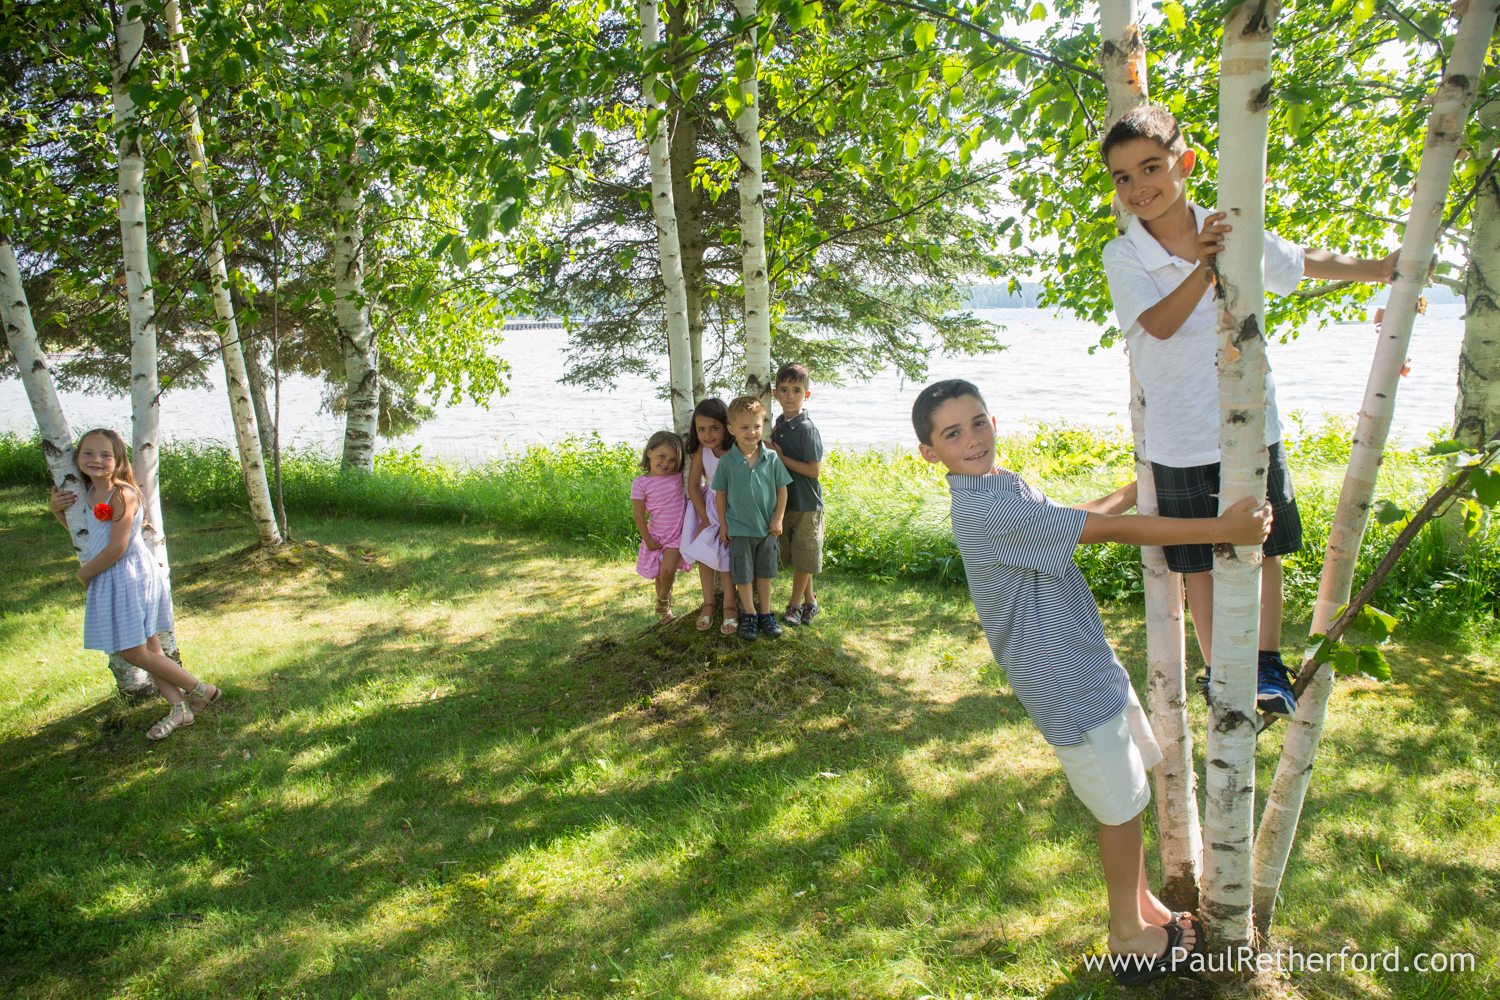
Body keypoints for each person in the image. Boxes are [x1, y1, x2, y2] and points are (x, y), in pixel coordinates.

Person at [912, 380, 1272, 985]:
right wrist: (1221, 529)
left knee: (1130, 788)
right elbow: (1104, 533)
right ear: (930, 452)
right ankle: (1126, 935)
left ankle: (1142, 906)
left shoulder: (999, 485)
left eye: (978, 423)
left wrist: (1141, 485)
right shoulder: (984, 507)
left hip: (1087, 663)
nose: (972, 439)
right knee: (1119, 807)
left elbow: (1081, 519)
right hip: (1063, 680)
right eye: (952, 433)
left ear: (994, 420)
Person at [1100, 104, 1397, 716]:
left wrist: (1383, 269)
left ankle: (1267, 668)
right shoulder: (1123, 254)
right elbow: (1156, 325)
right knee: (1200, 565)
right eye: (1122, 177)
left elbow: (1304, 261)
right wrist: (1207, 267)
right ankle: (1219, 673)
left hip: (1251, 428)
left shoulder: (1231, 227)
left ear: (1185, 163)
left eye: (1150, 167)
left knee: (1263, 550)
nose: (1137, 187)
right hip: (1177, 440)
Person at [49, 428, 221, 741]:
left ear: (118, 461)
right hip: (111, 576)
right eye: (88, 453)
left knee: (133, 652)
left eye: (105, 455)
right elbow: (85, 533)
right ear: (77, 458)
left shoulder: (122, 493)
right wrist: (57, 510)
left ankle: (204, 690)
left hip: (129, 575)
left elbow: (117, 547)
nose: (96, 460)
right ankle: (180, 708)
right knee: (151, 647)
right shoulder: (87, 493)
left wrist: (85, 574)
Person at [713, 396, 792, 641]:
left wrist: (778, 519)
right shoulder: (726, 462)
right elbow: (721, 496)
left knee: (765, 573)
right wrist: (724, 525)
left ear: (763, 426)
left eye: (756, 426)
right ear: (732, 429)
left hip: (767, 529)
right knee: (743, 574)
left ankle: (766, 613)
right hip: (739, 529)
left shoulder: (772, 458)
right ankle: (749, 613)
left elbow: (782, 490)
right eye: (745, 427)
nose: (751, 432)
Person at [769, 363, 825, 627]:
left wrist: (782, 458)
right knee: (798, 556)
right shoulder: (779, 424)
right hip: (786, 502)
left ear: (807, 395)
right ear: (774, 393)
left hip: (806, 503)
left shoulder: (806, 429)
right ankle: (811, 602)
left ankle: (793, 605)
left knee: (805, 556)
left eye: (796, 390)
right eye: (784, 389)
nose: (789, 396)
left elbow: (813, 471)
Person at [679, 398, 739, 635]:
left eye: (714, 428)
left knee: (726, 556)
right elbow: (693, 485)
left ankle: (730, 606)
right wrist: (704, 517)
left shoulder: (737, 449)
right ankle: (708, 602)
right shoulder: (701, 452)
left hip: (734, 506)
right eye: (701, 429)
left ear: (727, 426)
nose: (707, 434)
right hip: (709, 508)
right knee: (705, 555)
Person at [630, 430, 692, 622]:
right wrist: (647, 538)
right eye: (661, 456)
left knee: (667, 571)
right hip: (656, 536)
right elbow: (639, 515)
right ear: (649, 452)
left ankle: (662, 600)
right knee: (660, 575)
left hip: (677, 536)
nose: (666, 463)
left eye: (672, 460)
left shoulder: (678, 476)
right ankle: (667, 614)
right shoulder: (641, 483)